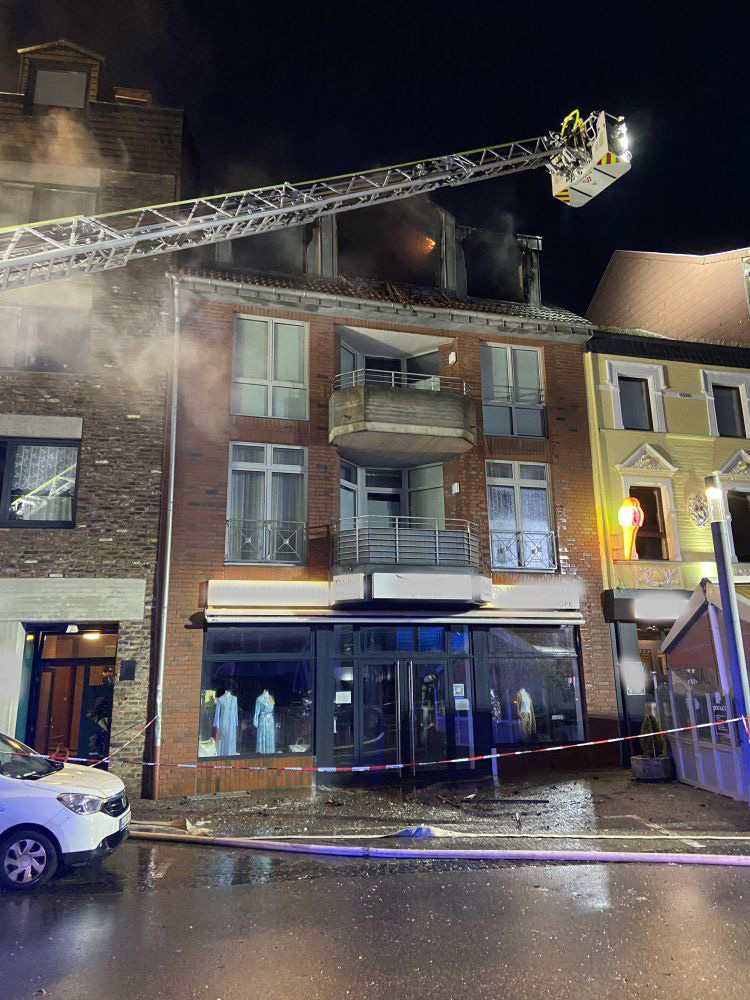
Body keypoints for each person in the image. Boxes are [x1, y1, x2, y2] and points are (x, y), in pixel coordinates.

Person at [212, 679, 239, 756]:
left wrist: (236, 722)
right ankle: (222, 755)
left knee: (231, 739)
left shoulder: (234, 699)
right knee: (223, 739)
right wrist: (217, 725)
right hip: (223, 722)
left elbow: (235, 711)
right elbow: (217, 713)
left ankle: (231, 754)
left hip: (232, 723)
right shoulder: (220, 699)